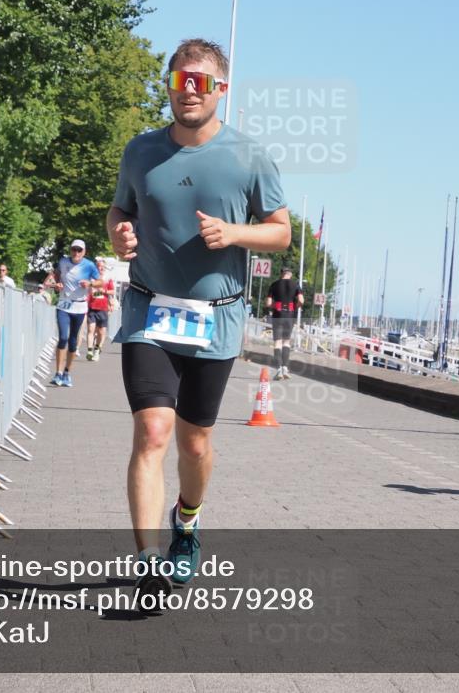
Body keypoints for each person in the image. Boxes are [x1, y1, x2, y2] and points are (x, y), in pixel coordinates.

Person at [107, 38, 290, 607]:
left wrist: (236, 233)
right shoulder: (140, 151)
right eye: (180, 81)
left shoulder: (249, 156)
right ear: (169, 85)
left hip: (216, 320)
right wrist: (118, 230)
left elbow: (281, 231)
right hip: (149, 309)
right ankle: (147, 566)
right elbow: (120, 208)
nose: (189, 92)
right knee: (152, 433)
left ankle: (186, 523)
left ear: (221, 90)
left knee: (195, 441)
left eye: (201, 83)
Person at [48, 239, 99, 388]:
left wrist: (90, 284)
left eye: (79, 250)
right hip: (64, 304)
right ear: (70, 250)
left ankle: (67, 373)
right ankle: (57, 373)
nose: (76, 253)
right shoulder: (63, 262)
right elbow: (56, 274)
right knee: (63, 337)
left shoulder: (89, 265)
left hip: (79, 307)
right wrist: (57, 284)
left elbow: (100, 281)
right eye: (74, 250)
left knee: (73, 341)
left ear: (84, 252)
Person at [264, 266, 303, 380]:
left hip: (278, 315)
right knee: (286, 342)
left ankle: (279, 370)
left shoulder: (274, 285)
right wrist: (295, 307)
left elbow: (268, 303)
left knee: (277, 343)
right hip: (290, 315)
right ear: (290, 274)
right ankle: (285, 368)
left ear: (282, 274)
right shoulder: (296, 285)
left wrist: (275, 306)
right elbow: (301, 300)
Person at [86, 259, 116, 361]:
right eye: (99, 266)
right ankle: (89, 351)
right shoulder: (92, 279)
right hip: (92, 307)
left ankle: (97, 350)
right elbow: (92, 293)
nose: (101, 268)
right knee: (91, 329)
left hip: (103, 308)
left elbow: (112, 291)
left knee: (101, 332)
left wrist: (105, 291)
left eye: (102, 266)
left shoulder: (107, 279)